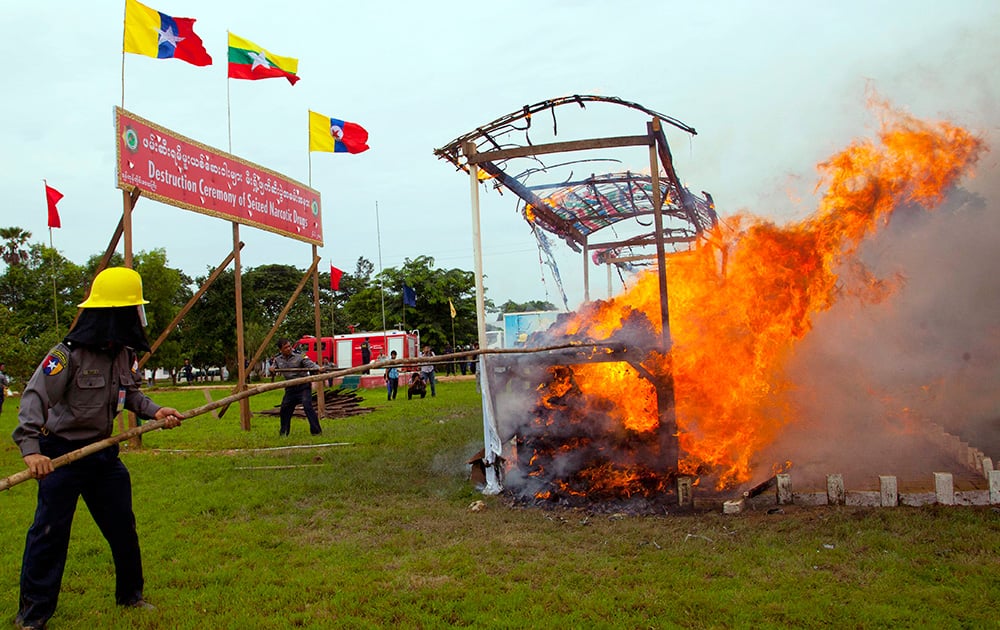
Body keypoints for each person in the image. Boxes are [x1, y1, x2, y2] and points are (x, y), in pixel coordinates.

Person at [11, 267, 183, 630]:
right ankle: (33, 615)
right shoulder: (66, 355)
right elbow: (33, 399)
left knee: (123, 526)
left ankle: (130, 596)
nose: (138, 319)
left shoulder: (122, 354)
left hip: (103, 454)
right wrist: (32, 451)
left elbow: (130, 393)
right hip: (61, 455)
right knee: (48, 534)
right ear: (114, 314)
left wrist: (155, 411)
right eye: (133, 310)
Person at [272, 338, 323, 436]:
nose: (289, 348)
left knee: (307, 406)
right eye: (286, 347)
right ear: (280, 350)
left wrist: (318, 369)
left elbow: (310, 364)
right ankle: (284, 433)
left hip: (303, 386)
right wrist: (272, 369)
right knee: (284, 409)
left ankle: (316, 432)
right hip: (290, 388)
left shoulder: (300, 355)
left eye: (289, 346)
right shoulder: (278, 359)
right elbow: (273, 367)